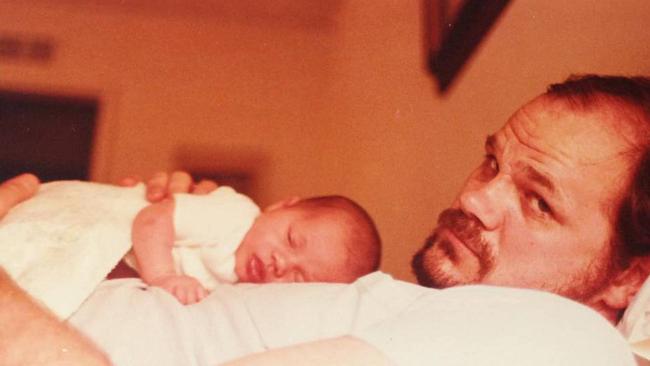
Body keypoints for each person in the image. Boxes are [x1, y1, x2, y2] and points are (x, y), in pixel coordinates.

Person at [1, 74, 648, 365]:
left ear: (628, 278)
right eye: (490, 162)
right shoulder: (449, 321)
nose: (478, 199)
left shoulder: (569, 344)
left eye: (538, 200)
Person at [0, 179, 380, 314]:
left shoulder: (243, 291)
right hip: (98, 214)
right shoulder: (234, 217)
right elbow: (151, 220)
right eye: (292, 239)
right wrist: (162, 276)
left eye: (300, 278)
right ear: (281, 206)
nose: (281, 264)